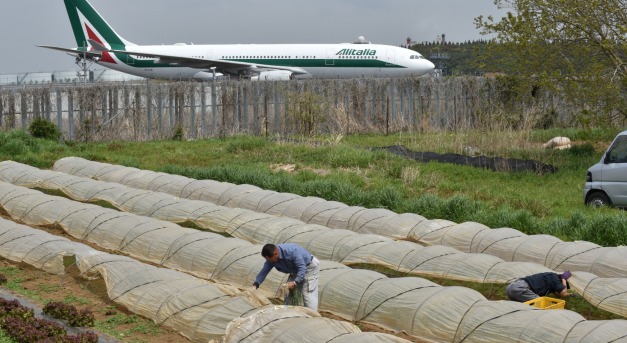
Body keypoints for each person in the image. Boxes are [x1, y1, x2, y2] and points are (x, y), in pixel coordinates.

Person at [253, 243, 320, 311]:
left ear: (275, 253)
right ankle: (289, 313)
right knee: (288, 292)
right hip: (295, 270)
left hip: (309, 267)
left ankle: (313, 315)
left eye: (270, 260)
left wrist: (294, 282)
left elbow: (302, 268)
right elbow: (264, 271)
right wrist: (256, 284)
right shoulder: (271, 259)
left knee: (307, 294)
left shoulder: (292, 251)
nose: (270, 262)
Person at [506, 271, 573, 302]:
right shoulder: (554, 277)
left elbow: (558, 295)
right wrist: (564, 279)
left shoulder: (551, 279)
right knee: (540, 303)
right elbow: (563, 293)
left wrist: (571, 295)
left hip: (511, 287)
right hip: (520, 288)